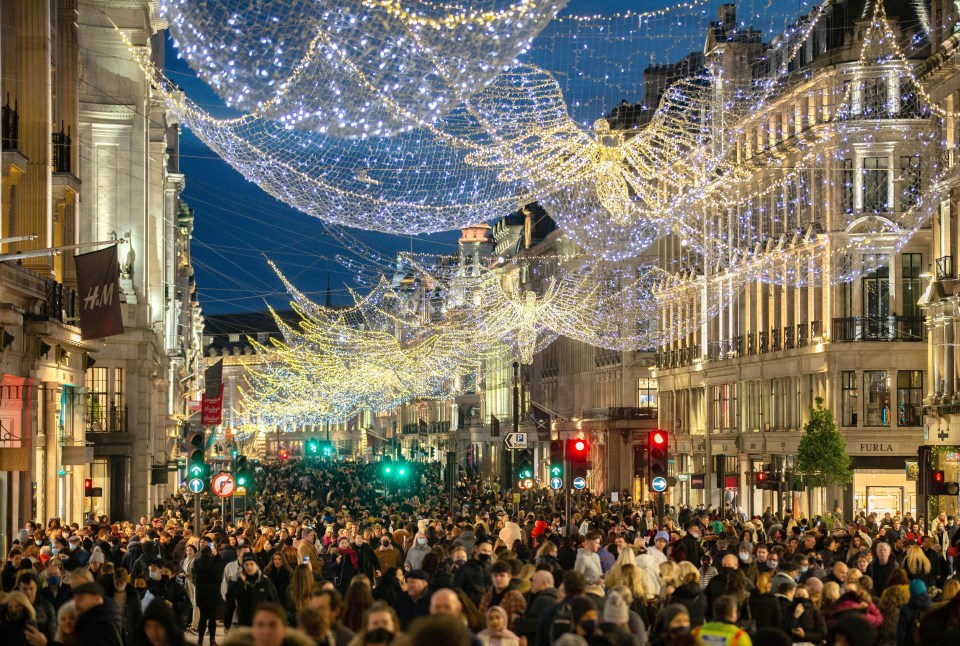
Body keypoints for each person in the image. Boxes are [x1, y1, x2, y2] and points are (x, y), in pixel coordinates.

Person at [232, 553, 280, 627]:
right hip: (244, 625)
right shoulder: (239, 583)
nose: (249, 567)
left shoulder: (265, 582)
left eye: (251, 564)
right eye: (246, 564)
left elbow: (275, 603)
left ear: (257, 565)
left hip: (262, 625)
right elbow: (231, 601)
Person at [478, 561, 526, 632]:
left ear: (509, 577)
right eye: (495, 575)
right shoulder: (487, 596)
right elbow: (481, 618)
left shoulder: (515, 596)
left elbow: (516, 624)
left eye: (502, 575)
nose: (498, 579)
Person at [72, 581, 123, 646]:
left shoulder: (101, 626)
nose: (76, 604)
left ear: (97, 599)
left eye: (81, 599)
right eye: (75, 600)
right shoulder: (89, 620)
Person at [192, 545, 223, 646]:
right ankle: (212, 640)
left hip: (201, 591)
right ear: (210, 553)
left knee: (203, 617)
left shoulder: (197, 562)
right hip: (213, 591)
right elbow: (219, 572)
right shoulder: (214, 562)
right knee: (212, 617)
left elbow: (194, 577)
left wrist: (197, 584)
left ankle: (200, 639)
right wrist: (216, 554)